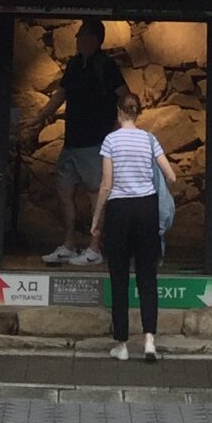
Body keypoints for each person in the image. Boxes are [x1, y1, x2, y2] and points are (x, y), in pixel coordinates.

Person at [26, 19, 124, 263]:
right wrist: (40, 117)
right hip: (71, 143)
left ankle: (94, 249)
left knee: (95, 195)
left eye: (80, 34)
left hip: (95, 143)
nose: (77, 38)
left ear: (93, 38)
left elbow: (125, 96)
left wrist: (116, 131)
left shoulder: (107, 66)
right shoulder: (73, 65)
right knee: (64, 191)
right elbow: (61, 94)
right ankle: (68, 244)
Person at [89, 90, 177, 362]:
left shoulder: (111, 141)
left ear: (118, 112)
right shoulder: (150, 140)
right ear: (138, 113)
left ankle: (123, 344)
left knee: (119, 276)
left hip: (120, 210)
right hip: (146, 208)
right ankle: (150, 340)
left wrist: (95, 219)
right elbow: (171, 175)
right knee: (147, 275)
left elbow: (106, 184)